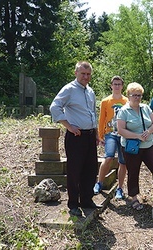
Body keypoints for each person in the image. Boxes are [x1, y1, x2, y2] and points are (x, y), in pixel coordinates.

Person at [50, 61, 101, 217]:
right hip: (76, 136)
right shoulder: (69, 89)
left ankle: (86, 200)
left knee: (91, 169)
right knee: (75, 171)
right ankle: (73, 204)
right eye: (83, 73)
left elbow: (93, 113)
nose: (86, 77)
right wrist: (69, 126)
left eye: (88, 74)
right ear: (76, 73)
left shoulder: (90, 91)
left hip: (90, 135)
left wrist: (96, 134)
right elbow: (55, 106)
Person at [117, 82, 153, 211]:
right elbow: (120, 130)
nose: (137, 97)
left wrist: (149, 131)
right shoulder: (123, 111)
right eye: (134, 95)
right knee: (133, 171)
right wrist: (137, 136)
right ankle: (134, 197)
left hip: (148, 145)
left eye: (139, 95)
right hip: (132, 146)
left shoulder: (145, 108)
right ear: (129, 96)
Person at [93, 76, 128, 199]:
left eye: (119, 84)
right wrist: (100, 134)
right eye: (115, 84)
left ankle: (120, 188)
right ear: (111, 86)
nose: (117, 86)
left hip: (124, 134)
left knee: (123, 162)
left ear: (122, 86)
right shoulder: (105, 101)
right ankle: (99, 182)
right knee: (109, 157)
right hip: (110, 134)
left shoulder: (127, 101)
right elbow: (101, 119)